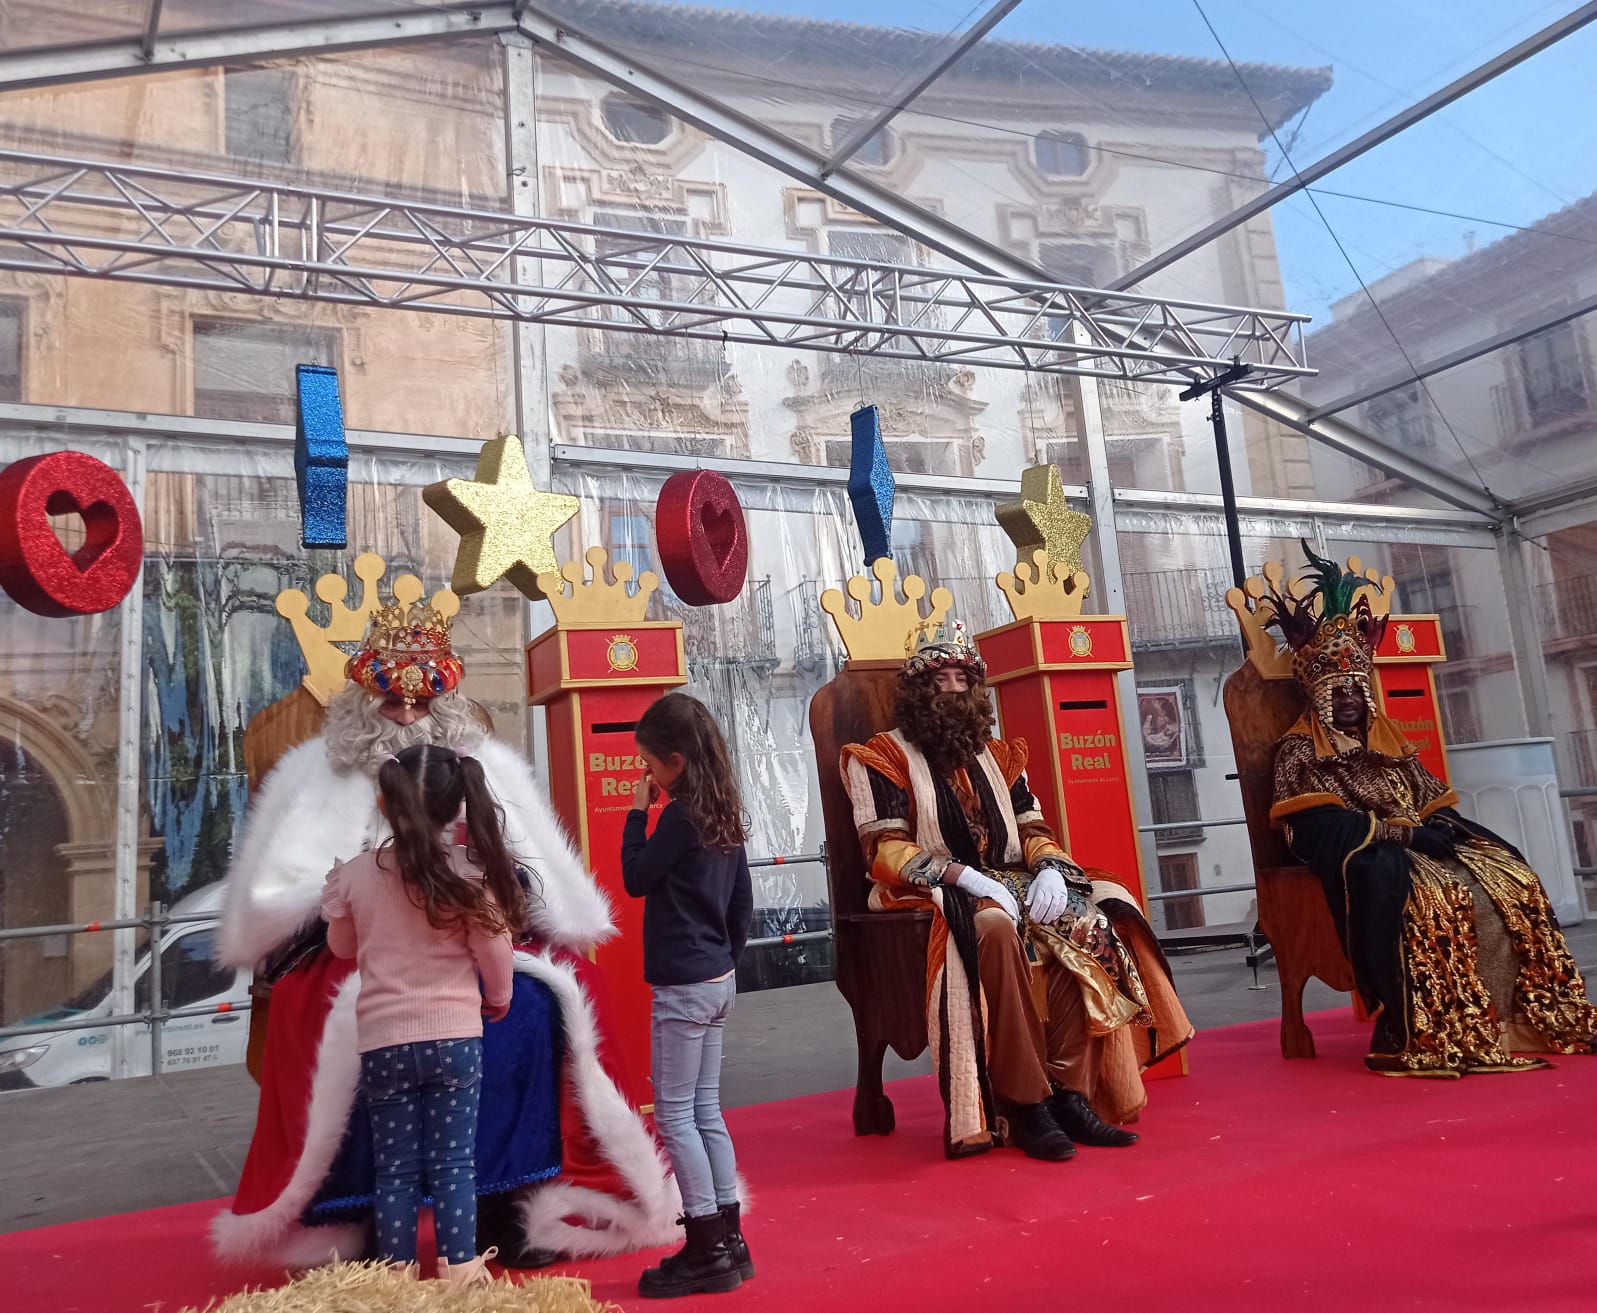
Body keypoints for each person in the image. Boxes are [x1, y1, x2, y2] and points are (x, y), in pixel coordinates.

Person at [214, 591, 679, 1269]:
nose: (405, 717)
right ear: (362, 699)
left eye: (419, 703)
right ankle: (352, 1219)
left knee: (541, 1007)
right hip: (361, 949)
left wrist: (509, 905)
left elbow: (529, 883)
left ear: (445, 701)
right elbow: (283, 899)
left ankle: (513, 1204)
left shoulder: (480, 762)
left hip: (468, 942)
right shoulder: (316, 772)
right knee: (310, 1015)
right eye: (391, 703)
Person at [841, 622, 1192, 1161]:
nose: (954, 689)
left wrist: (1050, 868)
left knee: (1090, 915)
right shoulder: (881, 757)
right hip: (930, 889)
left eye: (964, 678)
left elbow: (1033, 828)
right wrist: (964, 877)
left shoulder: (1000, 756)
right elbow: (885, 850)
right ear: (918, 692)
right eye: (941, 679)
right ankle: (1025, 1106)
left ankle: (1071, 1095)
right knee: (996, 930)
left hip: (1014, 875)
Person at [1268, 545, 1597, 1076]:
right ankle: (1420, 1025)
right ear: (1318, 695)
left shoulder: (1389, 738)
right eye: (1337, 690)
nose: (1349, 698)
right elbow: (1311, 829)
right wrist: (1402, 838)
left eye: (1356, 688)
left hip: (1417, 841)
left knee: (1511, 877)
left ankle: (1515, 1018)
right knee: (1426, 894)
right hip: (1374, 850)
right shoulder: (1301, 749)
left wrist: (1439, 826)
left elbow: (1431, 796)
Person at [320, 744, 518, 1285]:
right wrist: (496, 999)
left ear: (386, 803)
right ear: (458, 808)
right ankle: (458, 1267)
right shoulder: (471, 873)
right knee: (454, 1163)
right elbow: (496, 953)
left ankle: (396, 1275)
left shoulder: (358, 874)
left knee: (396, 1168)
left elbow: (340, 948)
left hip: (382, 1041)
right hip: (455, 1037)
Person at [622, 694, 754, 1299]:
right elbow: (742, 900)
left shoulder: (678, 816)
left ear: (674, 761)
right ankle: (730, 1234)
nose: (646, 777)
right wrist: (726, 958)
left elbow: (637, 877)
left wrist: (634, 815)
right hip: (717, 976)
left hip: (682, 982)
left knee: (676, 1113)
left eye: (649, 766)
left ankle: (704, 1244)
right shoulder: (724, 807)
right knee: (707, 1111)